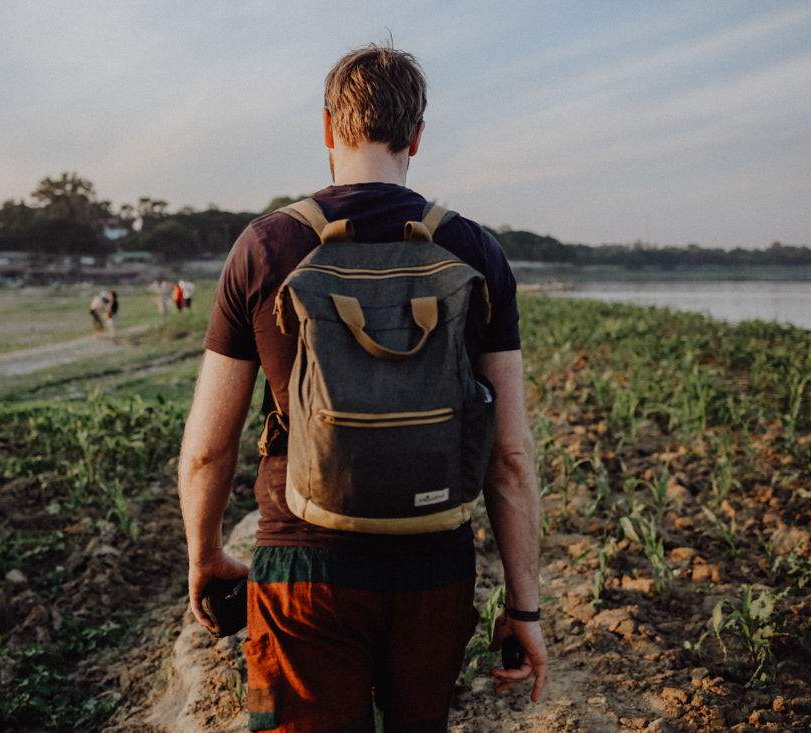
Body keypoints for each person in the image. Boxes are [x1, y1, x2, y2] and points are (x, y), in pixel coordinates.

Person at [178, 43, 547, 732]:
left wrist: (204, 555)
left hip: (304, 562)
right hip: (434, 567)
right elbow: (510, 456)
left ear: (327, 128)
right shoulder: (476, 252)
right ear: (417, 135)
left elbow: (206, 447)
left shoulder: (265, 247)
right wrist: (524, 607)